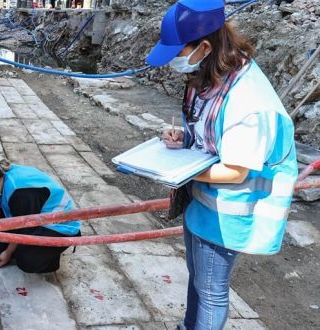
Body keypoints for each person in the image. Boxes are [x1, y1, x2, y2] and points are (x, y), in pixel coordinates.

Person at [147, 0, 298, 329]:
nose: (173, 61)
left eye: (176, 52)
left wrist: (174, 169)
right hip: (203, 203)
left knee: (211, 290)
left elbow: (235, 170)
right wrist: (184, 138)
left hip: (229, 211)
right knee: (199, 279)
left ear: (203, 46)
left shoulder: (249, 99)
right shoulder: (212, 73)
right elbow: (211, 129)